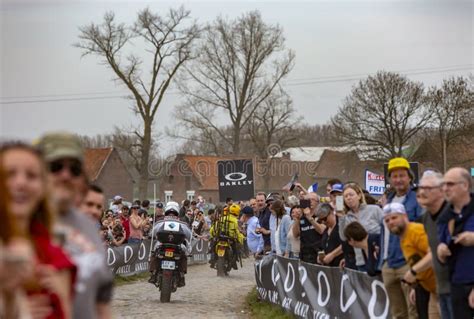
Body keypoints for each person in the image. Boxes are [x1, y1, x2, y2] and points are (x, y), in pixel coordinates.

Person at [36, 132, 113, 319]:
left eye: (75, 169)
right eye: (55, 167)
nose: (66, 175)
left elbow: (101, 301)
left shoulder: (88, 225)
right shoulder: (15, 223)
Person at [1, 142, 77, 319]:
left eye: (31, 176)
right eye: (9, 174)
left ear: (43, 188)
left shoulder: (54, 256)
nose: (21, 183)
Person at [379, 157, 422, 319]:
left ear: (410, 177)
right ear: (390, 179)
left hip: (408, 263)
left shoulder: (417, 200)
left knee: (414, 312)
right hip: (389, 264)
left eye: (402, 175)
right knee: (397, 313)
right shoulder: (388, 201)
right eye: (394, 176)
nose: (398, 179)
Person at [383, 203, 440, 319]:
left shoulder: (415, 231)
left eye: (394, 217)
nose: (391, 222)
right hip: (432, 289)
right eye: (387, 220)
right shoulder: (403, 237)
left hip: (443, 286)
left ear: (405, 216)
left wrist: (413, 272)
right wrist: (417, 285)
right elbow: (418, 260)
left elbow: (434, 254)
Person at [437, 167, 474, 319]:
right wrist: (441, 249)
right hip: (456, 283)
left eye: (450, 184)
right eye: (443, 184)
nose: (445, 188)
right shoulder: (445, 216)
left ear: (465, 185)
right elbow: (441, 243)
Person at [415, 170, 453, 319]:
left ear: (442, 191)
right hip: (437, 287)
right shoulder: (425, 218)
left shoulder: (455, 214)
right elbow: (431, 254)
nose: (422, 192)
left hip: (459, 289)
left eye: (428, 188)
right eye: (421, 188)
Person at [338, 183, 383, 272]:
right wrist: (341, 218)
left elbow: (386, 229)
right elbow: (343, 237)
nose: (348, 198)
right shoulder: (347, 217)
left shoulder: (374, 209)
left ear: (359, 196)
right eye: (346, 196)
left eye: (351, 194)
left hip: (378, 257)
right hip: (361, 261)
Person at [149, 201, 192, 287]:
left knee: (154, 252)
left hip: (161, 244)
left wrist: (150, 235)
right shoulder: (182, 223)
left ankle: (153, 273)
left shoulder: (160, 222)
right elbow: (189, 235)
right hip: (177, 246)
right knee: (183, 255)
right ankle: (181, 275)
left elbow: (152, 233)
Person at [292, 193, 325, 264]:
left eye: (312, 199)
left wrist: (309, 217)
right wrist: (297, 219)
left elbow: (322, 231)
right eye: (307, 200)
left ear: (317, 202)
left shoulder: (321, 215)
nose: (310, 201)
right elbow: (295, 234)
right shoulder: (302, 216)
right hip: (305, 253)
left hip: (317, 253)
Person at [210, 204, 244, 269]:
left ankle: (212, 260)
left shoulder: (222, 218)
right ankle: (234, 262)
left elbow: (213, 229)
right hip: (230, 239)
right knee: (236, 249)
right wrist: (241, 239)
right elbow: (237, 232)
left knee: (212, 248)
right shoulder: (235, 221)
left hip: (219, 238)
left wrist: (212, 235)